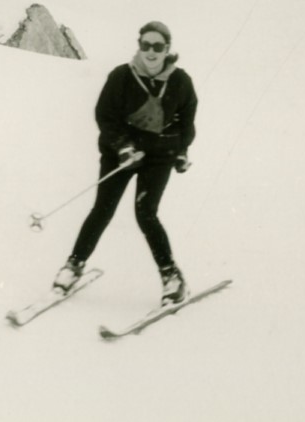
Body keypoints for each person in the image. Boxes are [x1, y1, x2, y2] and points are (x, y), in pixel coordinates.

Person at [52, 21, 199, 305]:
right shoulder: (122, 76)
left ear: (167, 49)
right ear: (139, 46)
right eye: (146, 45)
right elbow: (104, 116)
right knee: (102, 209)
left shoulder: (181, 82)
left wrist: (181, 152)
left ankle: (172, 278)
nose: (151, 52)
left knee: (145, 212)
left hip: (158, 156)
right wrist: (123, 147)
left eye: (158, 46)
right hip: (121, 153)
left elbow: (186, 123)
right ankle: (73, 266)